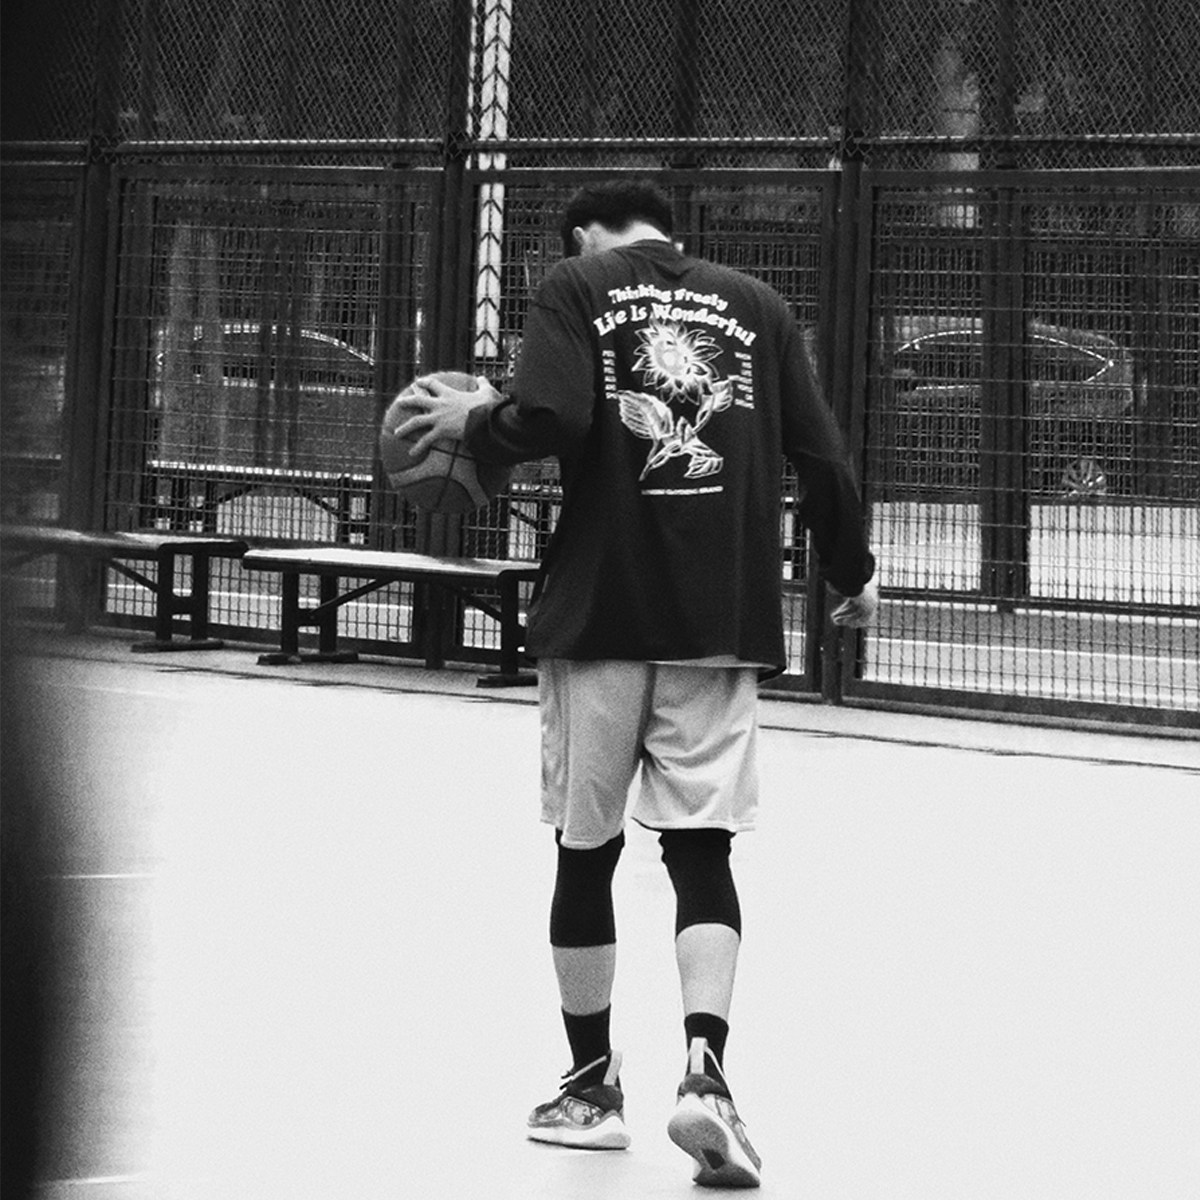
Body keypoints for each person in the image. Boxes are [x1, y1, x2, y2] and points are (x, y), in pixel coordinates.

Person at [399, 178, 878, 1188]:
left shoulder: (576, 285)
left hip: (602, 614)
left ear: (585, 232)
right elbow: (823, 456)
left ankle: (590, 1092)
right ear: (667, 225)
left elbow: (551, 414)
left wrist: (480, 423)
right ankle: (708, 1076)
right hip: (720, 621)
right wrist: (852, 570)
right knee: (703, 850)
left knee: (588, 849)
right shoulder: (758, 305)